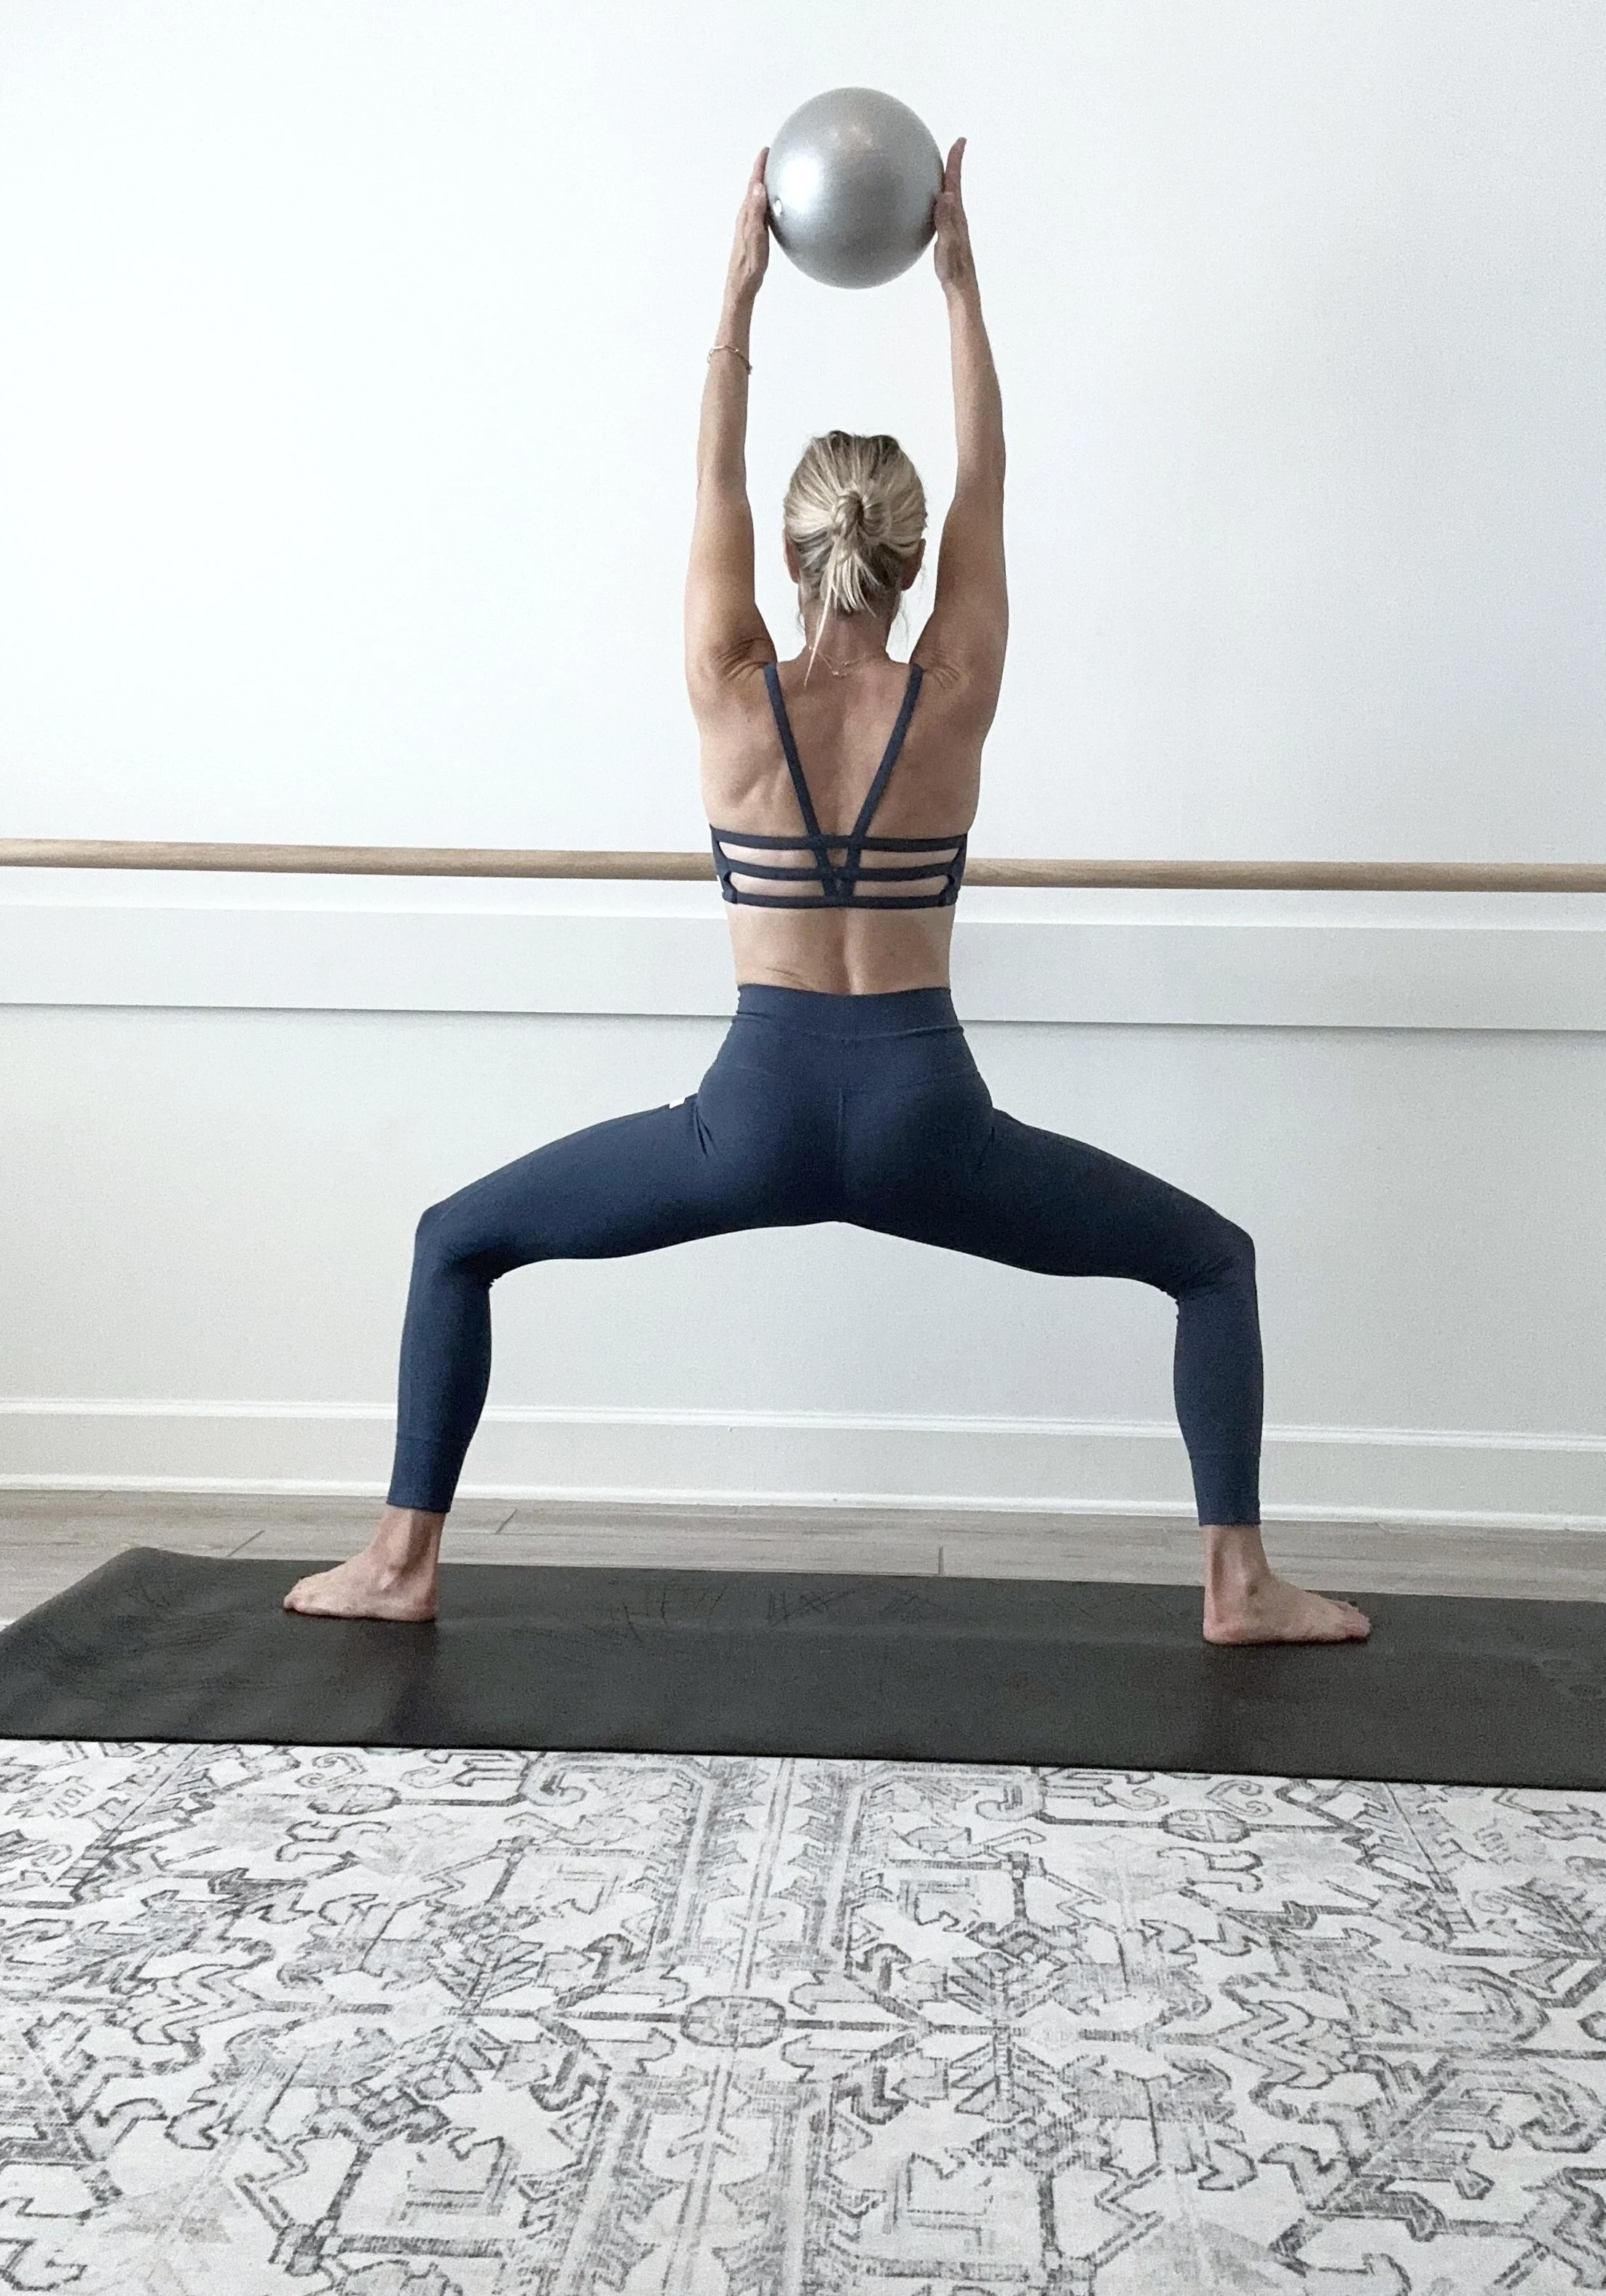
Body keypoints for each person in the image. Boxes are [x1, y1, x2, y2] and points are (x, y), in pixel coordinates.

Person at [286, 141, 1369, 1648]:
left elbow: (708, 474)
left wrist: (738, 292)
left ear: (789, 553)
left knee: (454, 1237)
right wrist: (957, 278)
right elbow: (991, 465)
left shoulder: (729, 689)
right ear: (913, 557)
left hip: (753, 1115)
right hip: (934, 1116)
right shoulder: (959, 687)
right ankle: (1237, 1585)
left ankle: (400, 1562)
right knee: (1210, 1262)